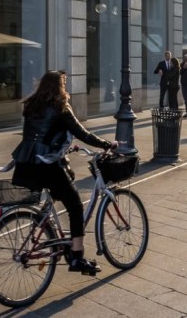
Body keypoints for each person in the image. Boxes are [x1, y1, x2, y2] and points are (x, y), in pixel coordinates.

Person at [10, 70, 116, 276]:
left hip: (26, 163)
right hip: (47, 165)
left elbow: (38, 135)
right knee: (75, 206)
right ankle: (76, 256)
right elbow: (82, 133)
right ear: (58, 86)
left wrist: (61, 147)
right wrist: (106, 144)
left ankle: (57, 239)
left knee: (55, 197)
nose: (65, 87)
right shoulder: (60, 107)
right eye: (64, 83)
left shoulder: (32, 105)